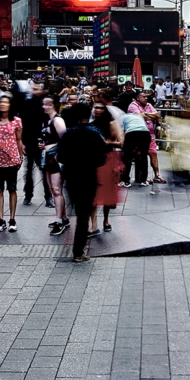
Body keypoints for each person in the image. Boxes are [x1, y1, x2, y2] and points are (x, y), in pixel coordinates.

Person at [56, 104, 107, 263]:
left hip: (72, 177)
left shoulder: (68, 135)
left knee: (77, 209)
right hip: (89, 177)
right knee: (84, 214)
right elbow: (102, 159)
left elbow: (61, 157)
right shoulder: (95, 134)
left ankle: (76, 248)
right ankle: (78, 251)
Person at [0, 93, 25, 233]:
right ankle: (0, 218)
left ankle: (12, 218)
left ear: (10, 105)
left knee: (12, 189)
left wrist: (20, 156)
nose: (3, 104)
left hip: (12, 159)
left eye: (6, 102)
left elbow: (18, 140)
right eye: (1, 102)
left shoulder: (16, 121)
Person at [89, 99, 123, 235]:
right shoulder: (90, 125)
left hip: (108, 159)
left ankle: (106, 220)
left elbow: (120, 142)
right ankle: (93, 224)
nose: (97, 110)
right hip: (93, 160)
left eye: (100, 108)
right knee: (93, 194)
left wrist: (107, 142)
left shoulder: (111, 124)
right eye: (95, 108)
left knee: (108, 194)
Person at [17, 79, 50, 205]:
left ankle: (48, 196)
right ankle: (28, 195)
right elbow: (22, 125)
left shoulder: (44, 104)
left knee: (44, 169)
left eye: (38, 89)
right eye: (34, 89)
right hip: (29, 140)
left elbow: (48, 123)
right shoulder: (26, 104)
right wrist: (22, 143)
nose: (36, 91)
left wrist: (46, 141)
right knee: (29, 169)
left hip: (42, 141)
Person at [38, 94, 68, 237]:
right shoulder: (47, 120)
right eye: (44, 104)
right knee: (53, 189)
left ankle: (59, 220)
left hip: (55, 159)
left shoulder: (57, 120)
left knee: (56, 189)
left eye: (48, 104)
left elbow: (65, 139)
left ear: (54, 105)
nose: (45, 107)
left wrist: (55, 151)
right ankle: (63, 217)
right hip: (48, 158)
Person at [130, 89, 165, 183]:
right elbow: (138, 116)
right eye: (144, 97)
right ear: (138, 98)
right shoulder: (133, 106)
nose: (146, 98)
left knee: (153, 154)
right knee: (141, 155)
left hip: (150, 134)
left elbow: (157, 115)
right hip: (138, 135)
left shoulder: (149, 105)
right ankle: (142, 177)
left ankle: (157, 175)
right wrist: (150, 116)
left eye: (147, 97)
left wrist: (145, 115)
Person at [119, 104, 151, 187]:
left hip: (132, 133)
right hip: (145, 133)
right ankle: (143, 180)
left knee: (127, 157)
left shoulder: (122, 117)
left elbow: (121, 130)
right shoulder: (139, 116)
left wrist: (122, 143)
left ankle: (126, 180)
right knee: (143, 156)